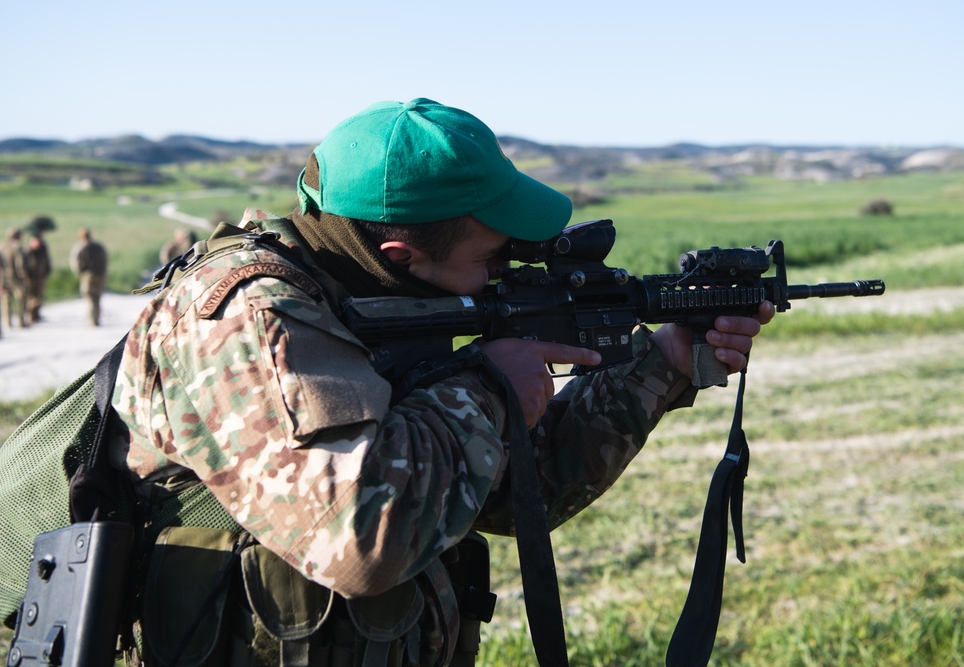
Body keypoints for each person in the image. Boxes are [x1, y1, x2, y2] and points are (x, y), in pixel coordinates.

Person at [109, 98, 772, 665]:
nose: (505, 272)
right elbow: (362, 539)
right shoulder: (245, 317)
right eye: (491, 257)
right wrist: (486, 384)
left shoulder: (375, 294)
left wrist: (666, 359)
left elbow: (511, 489)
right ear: (403, 255)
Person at [69, 227, 108, 326]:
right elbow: (105, 260)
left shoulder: (80, 247)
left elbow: (75, 262)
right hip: (99, 275)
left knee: (90, 298)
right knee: (97, 298)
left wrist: (80, 273)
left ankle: (92, 320)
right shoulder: (99, 247)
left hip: (87, 276)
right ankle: (97, 318)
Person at [0, 228, 28, 329]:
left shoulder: (0, 245)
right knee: (21, 298)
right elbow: (20, 264)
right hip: (15, 278)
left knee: (6, 300)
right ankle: (21, 321)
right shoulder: (17, 247)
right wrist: (24, 276)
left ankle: (7, 322)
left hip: (2, 277)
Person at [23, 231, 52, 323]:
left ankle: (36, 314)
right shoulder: (26, 251)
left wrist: (47, 272)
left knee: (39, 296)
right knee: (31, 298)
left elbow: (47, 262)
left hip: (40, 277)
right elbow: (22, 265)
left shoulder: (43, 250)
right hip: (30, 278)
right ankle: (31, 315)